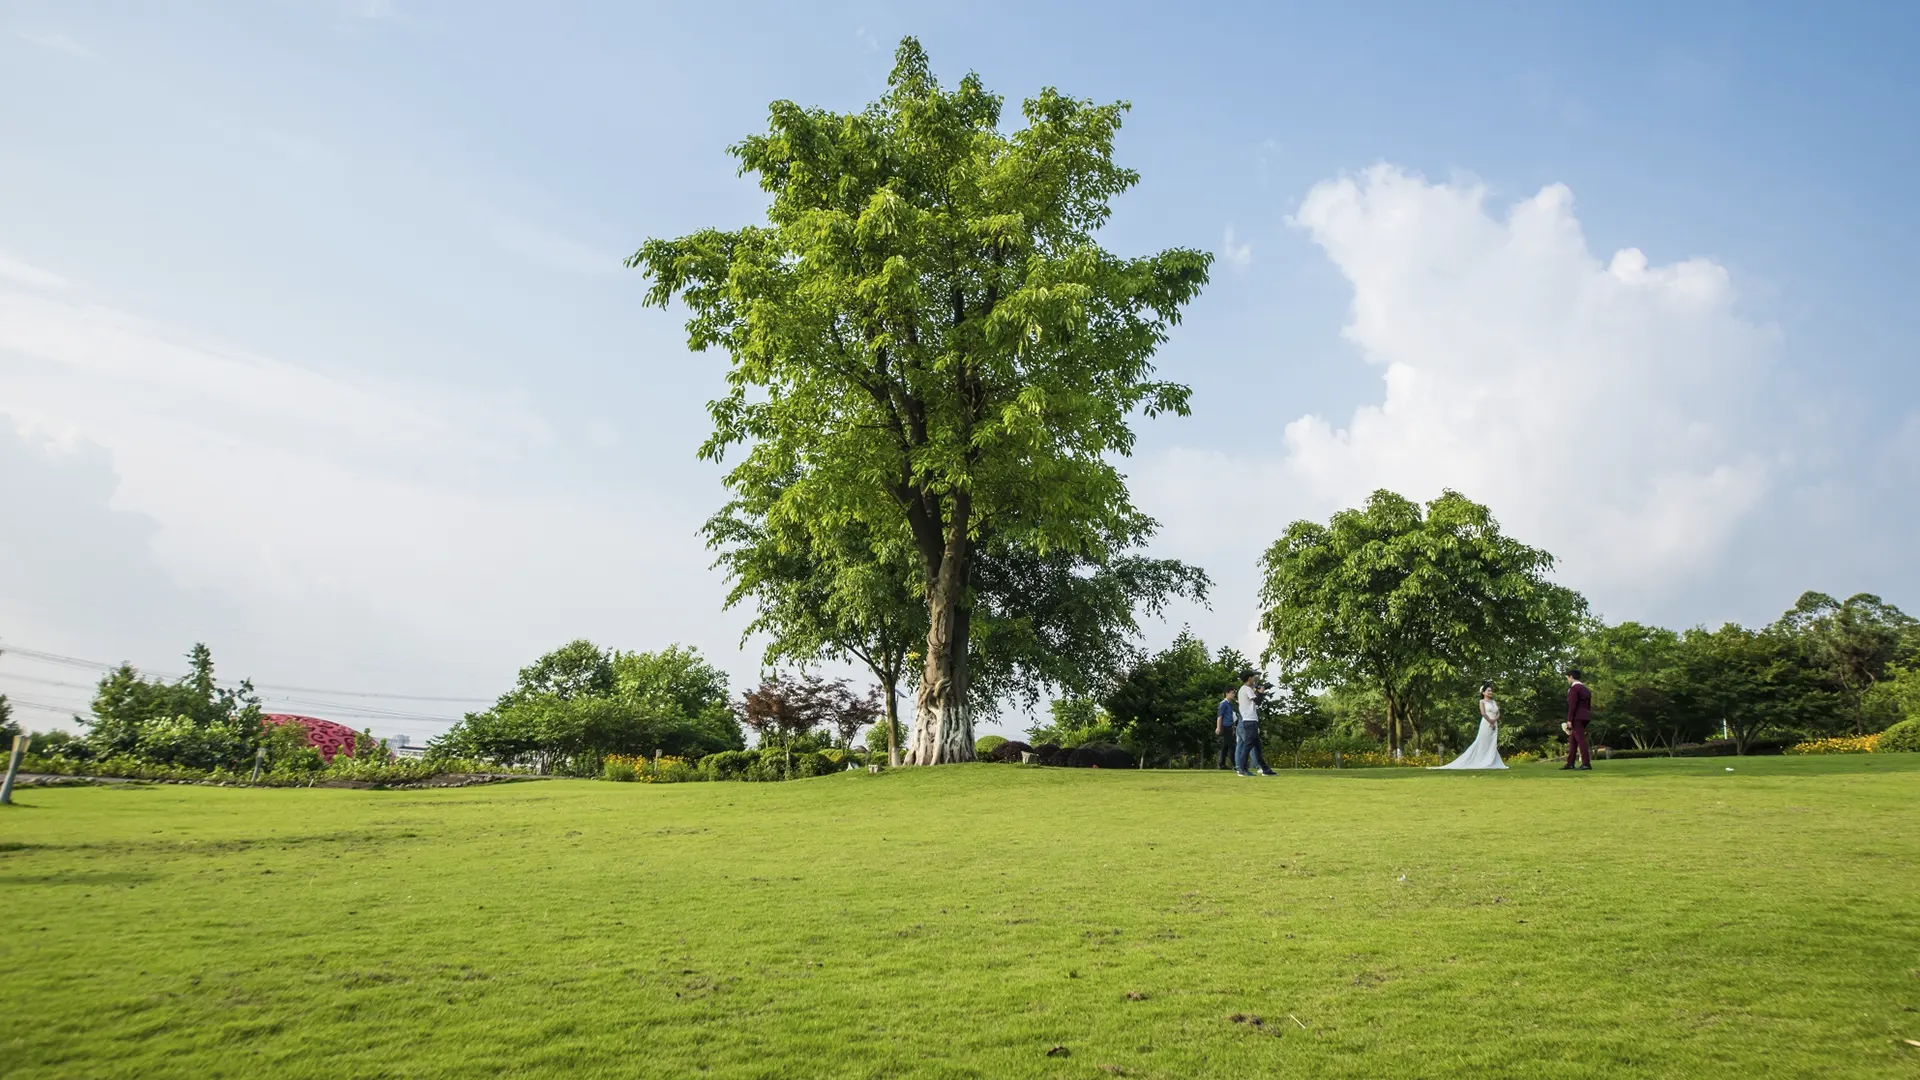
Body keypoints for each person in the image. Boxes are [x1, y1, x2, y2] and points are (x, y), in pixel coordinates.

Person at [1431, 682, 1507, 770]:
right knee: (1483, 742)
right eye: (1488, 691)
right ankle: (1482, 760)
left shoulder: (1494, 702)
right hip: (1486, 723)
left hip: (1494, 724)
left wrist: (1494, 720)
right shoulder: (1482, 701)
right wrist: (1490, 721)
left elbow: (1498, 713)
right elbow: (1483, 713)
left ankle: (1491, 759)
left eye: (1491, 691)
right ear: (1483, 692)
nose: (1490, 692)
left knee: (1492, 742)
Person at [1234, 670, 1276, 777]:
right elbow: (1257, 702)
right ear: (1249, 678)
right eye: (1253, 677)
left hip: (1248, 720)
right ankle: (1242, 769)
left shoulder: (1242, 689)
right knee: (1248, 745)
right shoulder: (1247, 689)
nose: (1254, 679)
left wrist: (1259, 691)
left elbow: (1253, 698)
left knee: (1257, 747)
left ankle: (1265, 769)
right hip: (1250, 720)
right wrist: (1261, 692)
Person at [1563, 668, 1593, 771]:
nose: (1568, 679)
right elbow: (1588, 705)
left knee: (1581, 739)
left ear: (1571, 677)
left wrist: (1569, 720)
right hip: (1585, 715)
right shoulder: (1586, 689)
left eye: (1568, 677)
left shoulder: (1574, 689)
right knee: (1573, 740)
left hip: (1577, 717)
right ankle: (1570, 763)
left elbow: (1573, 705)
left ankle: (1586, 763)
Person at [1215, 687, 1238, 770]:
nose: (1233, 695)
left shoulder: (1229, 704)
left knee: (1225, 746)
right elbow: (1219, 716)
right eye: (1232, 693)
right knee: (1231, 745)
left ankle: (1222, 764)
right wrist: (1218, 727)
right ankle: (1235, 764)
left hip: (1230, 727)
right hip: (1225, 727)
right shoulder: (1223, 704)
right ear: (1227, 694)